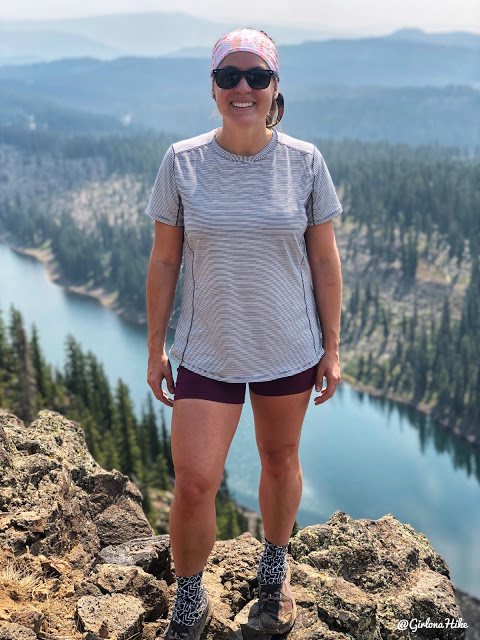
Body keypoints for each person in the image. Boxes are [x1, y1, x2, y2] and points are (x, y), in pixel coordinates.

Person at [145, 27, 343, 640]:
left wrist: (332, 348)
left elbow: (324, 262)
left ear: (276, 88)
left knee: (280, 461)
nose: (243, 88)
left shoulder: (305, 163)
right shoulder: (182, 161)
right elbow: (165, 261)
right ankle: (188, 596)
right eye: (229, 76)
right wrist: (155, 346)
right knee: (195, 481)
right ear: (212, 87)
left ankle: (275, 566)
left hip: (288, 345)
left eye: (257, 77)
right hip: (208, 347)